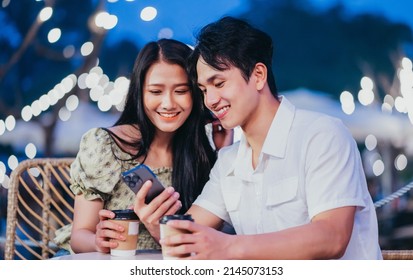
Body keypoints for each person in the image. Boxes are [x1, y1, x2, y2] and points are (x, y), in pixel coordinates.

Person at [136, 17, 382, 259]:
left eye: (219, 83)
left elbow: (332, 237)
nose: (210, 100)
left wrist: (230, 247)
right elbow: (189, 236)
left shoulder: (321, 135)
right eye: (203, 90)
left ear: (258, 75)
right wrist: (157, 223)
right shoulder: (229, 161)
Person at [53, 38, 232, 255]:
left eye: (181, 91)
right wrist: (99, 242)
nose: (168, 103)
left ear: (195, 93)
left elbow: (211, 234)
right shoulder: (105, 145)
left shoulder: (201, 150)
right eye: (156, 92)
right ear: (140, 93)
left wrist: (223, 154)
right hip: (103, 260)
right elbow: (79, 236)